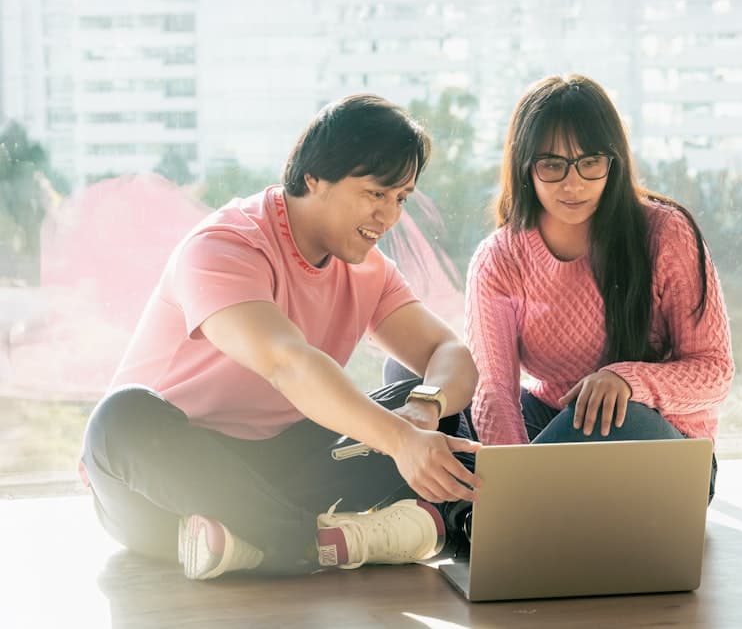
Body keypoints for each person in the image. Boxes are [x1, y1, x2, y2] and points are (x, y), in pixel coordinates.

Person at [79, 94, 482, 581]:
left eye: (401, 199)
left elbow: (450, 352)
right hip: (166, 480)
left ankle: (260, 544)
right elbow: (286, 362)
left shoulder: (369, 269)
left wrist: (423, 408)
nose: (389, 216)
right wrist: (399, 439)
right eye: (376, 193)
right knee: (118, 419)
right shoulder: (225, 246)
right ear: (315, 175)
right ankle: (340, 540)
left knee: (430, 403)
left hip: (278, 470)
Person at [464, 74, 734, 499]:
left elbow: (715, 371)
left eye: (590, 162)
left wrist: (627, 381)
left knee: (617, 416)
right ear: (524, 167)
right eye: (552, 165)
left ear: (614, 161)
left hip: (658, 442)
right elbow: (495, 391)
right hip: (553, 428)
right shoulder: (498, 258)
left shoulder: (666, 234)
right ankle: (509, 510)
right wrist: (512, 471)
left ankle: (490, 516)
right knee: (439, 395)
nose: (573, 184)